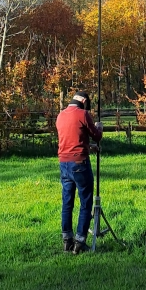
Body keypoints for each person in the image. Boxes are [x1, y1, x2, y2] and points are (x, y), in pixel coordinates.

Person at [55, 90, 103, 254]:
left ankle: (67, 241)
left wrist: (88, 147)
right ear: (83, 101)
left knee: (67, 203)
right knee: (86, 202)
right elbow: (96, 136)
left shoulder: (61, 115)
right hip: (80, 164)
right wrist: (99, 128)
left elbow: (72, 139)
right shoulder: (83, 114)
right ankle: (80, 242)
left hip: (64, 164)